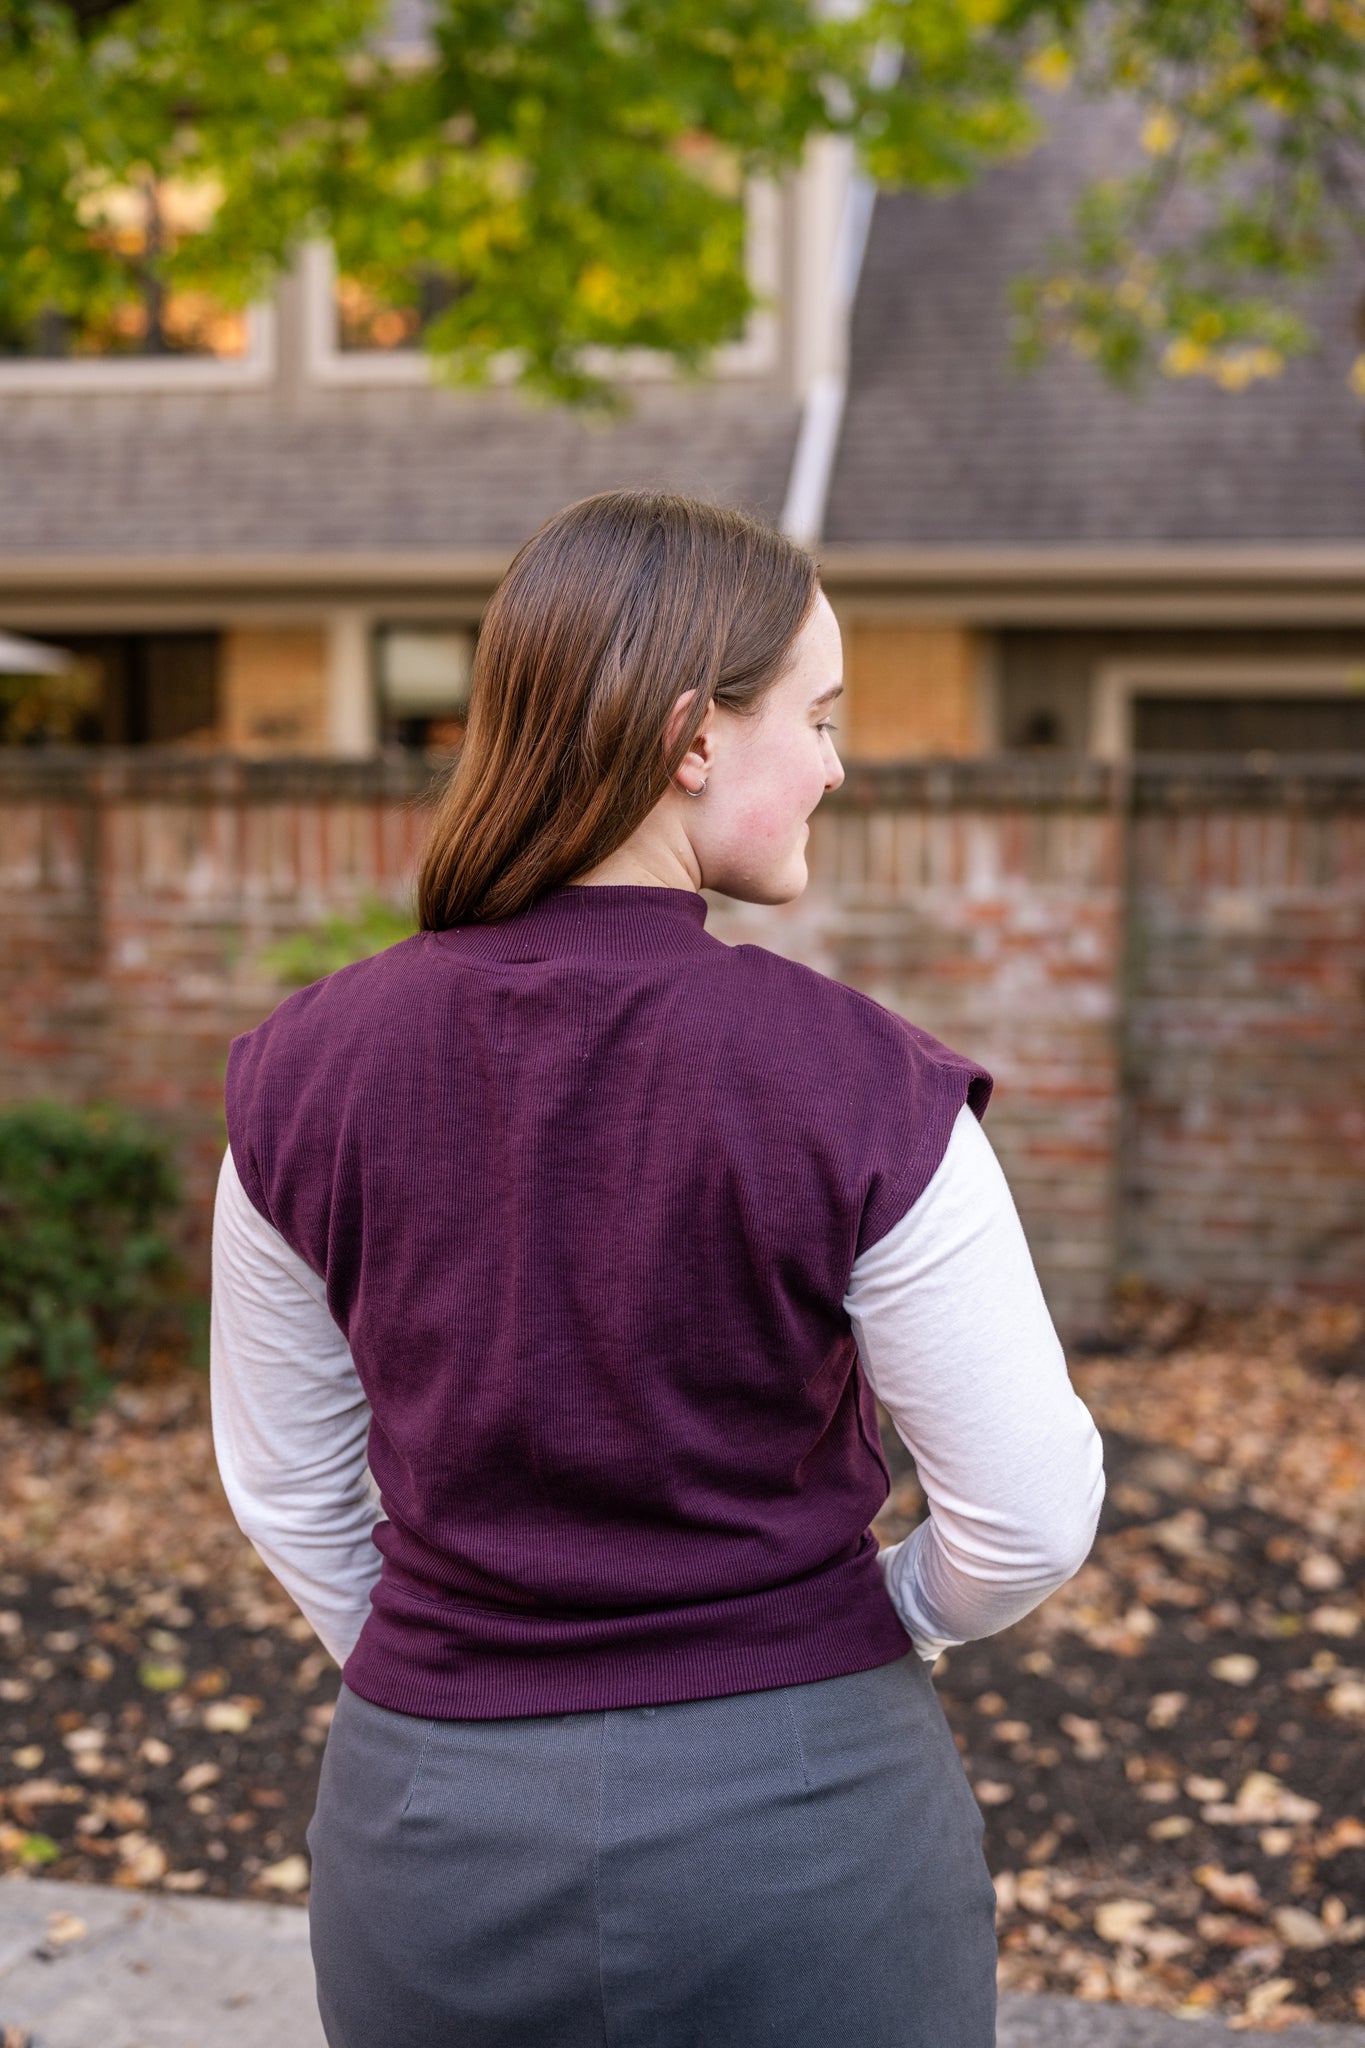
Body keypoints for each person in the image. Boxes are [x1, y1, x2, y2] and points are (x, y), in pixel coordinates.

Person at [210, 489, 1105, 2048]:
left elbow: (290, 1491)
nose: (835, 763)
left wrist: (456, 1681)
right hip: (804, 1818)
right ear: (693, 737)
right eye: (816, 718)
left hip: (427, 1824)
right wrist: (874, 1625)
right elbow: (1028, 1513)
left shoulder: (298, 1074)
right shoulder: (855, 1082)